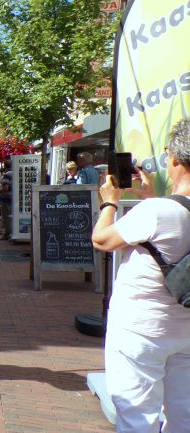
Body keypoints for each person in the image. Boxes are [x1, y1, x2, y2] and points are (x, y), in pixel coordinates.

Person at [91, 118, 190, 433]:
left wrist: (110, 201)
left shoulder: (157, 212)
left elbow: (102, 239)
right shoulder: (159, 209)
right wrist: (152, 198)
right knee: (184, 416)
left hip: (141, 330)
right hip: (186, 331)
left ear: (174, 160)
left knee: (137, 419)